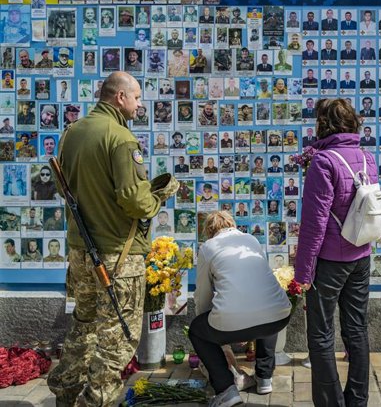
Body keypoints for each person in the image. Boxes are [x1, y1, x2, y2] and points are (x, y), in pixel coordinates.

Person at [47, 72, 176, 406]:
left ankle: (66, 390)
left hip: (81, 251)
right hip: (118, 254)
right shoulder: (120, 138)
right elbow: (136, 201)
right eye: (136, 97)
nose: (139, 104)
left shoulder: (71, 133)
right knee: (117, 335)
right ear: (120, 97)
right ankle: (98, 398)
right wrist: (160, 196)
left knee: (84, 324)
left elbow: (64, 187)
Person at [295, 98, 377, 406]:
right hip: (361, 256)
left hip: (330, 261)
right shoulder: (367, 157)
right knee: (356, 329)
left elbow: (314, 223)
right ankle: (357, 400)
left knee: (321, 334)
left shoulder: (324, 162)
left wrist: (303, 273)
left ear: (322, 125)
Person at [190, 211, 291, 406]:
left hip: (232, 320)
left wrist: (213, 327)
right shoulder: (250, 239)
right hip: (280, 314)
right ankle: (264, 378)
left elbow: (203, 295)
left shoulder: (207, 247)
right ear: (232, 224)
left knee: (197, 330)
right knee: (266, 310)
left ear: (209, 231)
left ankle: (226, 390)